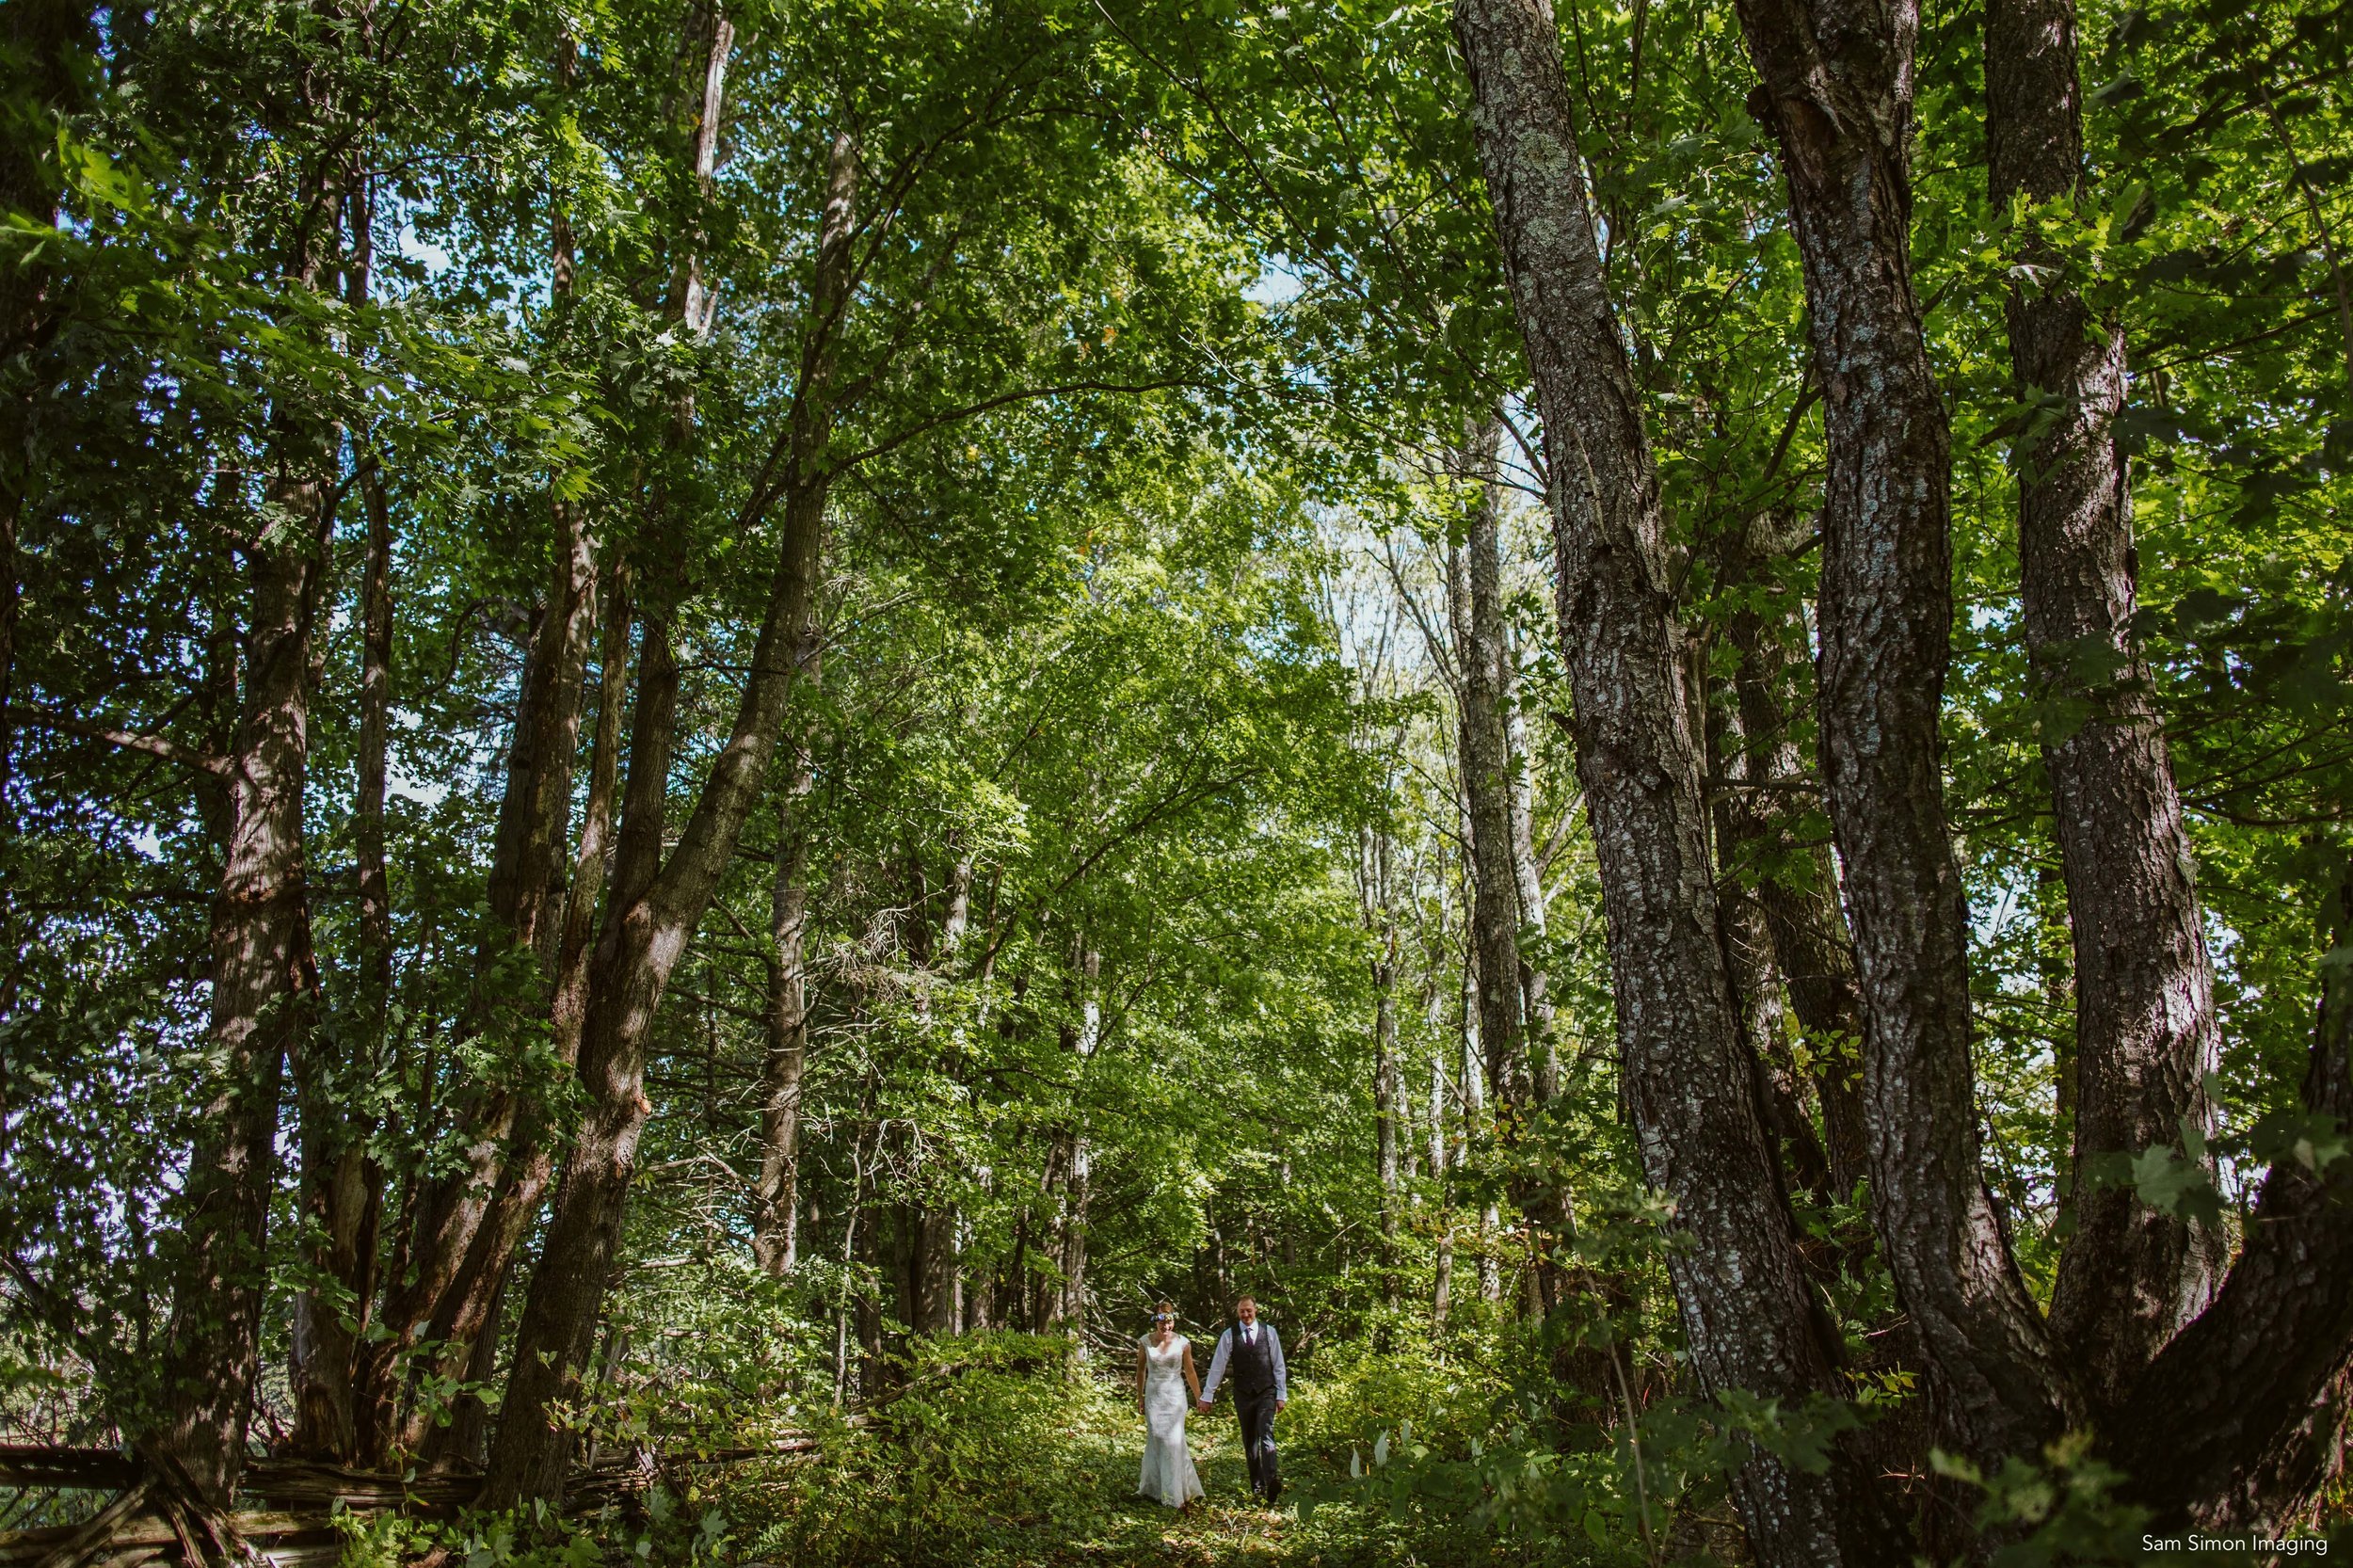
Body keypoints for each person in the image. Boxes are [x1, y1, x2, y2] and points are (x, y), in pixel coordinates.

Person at [1195, 1293, 1286, 1505]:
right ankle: (1257, 1487)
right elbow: (1218, 1366)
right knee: (1250, 1441)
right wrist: (1208, 1395)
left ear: (1255, 1310)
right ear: (1238, 1313)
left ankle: (1272, 1480)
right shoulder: (1229, 1335)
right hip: (1243, 1393)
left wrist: (1281, 1394)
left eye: (1249, 1310)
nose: (1246, 1314)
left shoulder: (1269, 1332)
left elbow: (1279, 1364)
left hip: (1266, 1391)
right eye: (1242, 1311)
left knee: (1267, 1434)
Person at [1135, 1302, 1205, 1510]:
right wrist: (1139, 1396)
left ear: (1174, 1320)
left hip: (1175, 1397)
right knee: (1156, 1439)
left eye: (1170, 1321)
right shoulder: (1145, 1342)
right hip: (1154, 1396)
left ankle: (1174, 1493)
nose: (1166, 1326)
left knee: (1174, 1440)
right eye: (1162, 1322)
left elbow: (1190, 1371)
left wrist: (1199, 1396)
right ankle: (1154, 1488)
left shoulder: (1183, 1343)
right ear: (1155, 1320)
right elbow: (1140, 1371)